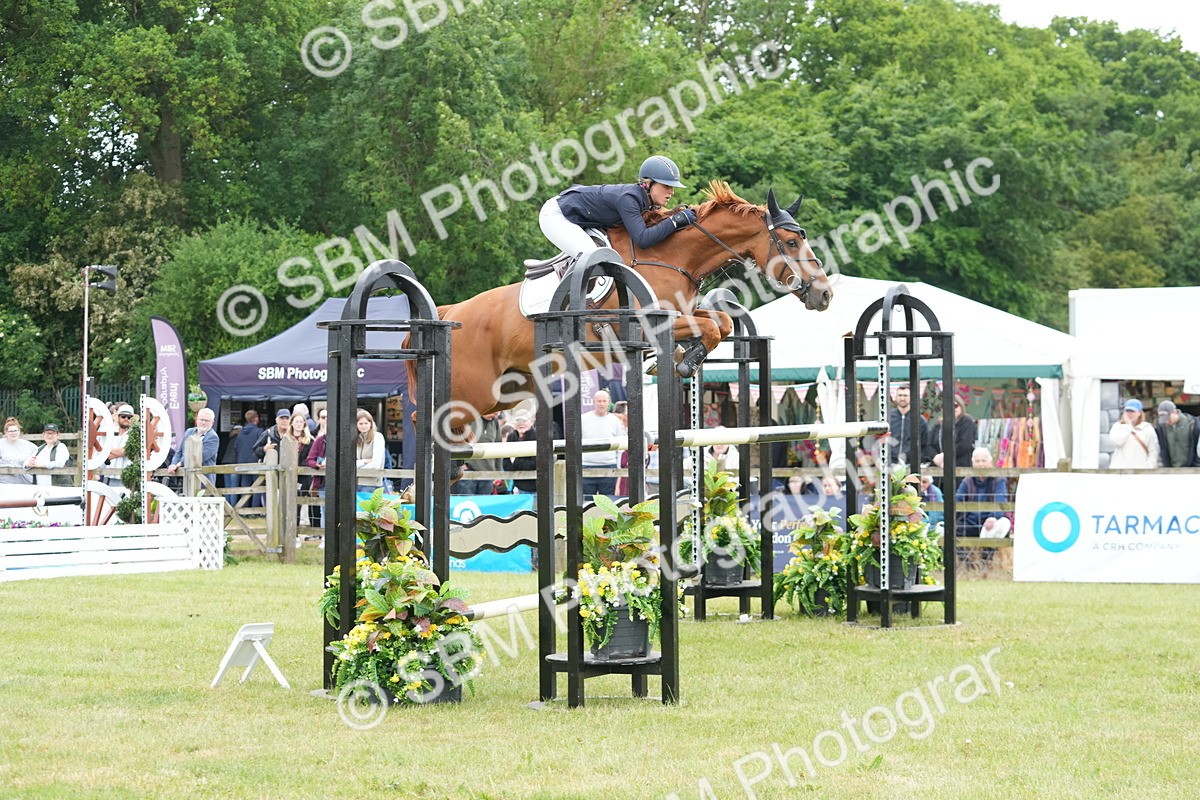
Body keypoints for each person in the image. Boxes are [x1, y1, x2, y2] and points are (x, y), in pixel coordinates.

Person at [538, 155, 695, 269]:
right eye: (666, 186)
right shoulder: (629, 199)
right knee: (595, 257)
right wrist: (675, 221)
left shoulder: (645, 201)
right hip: (556, 215)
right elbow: (643, 239)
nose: (671, 192)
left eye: (672, 187)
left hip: (579, 215)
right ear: (649, 183)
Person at [955, 447, 1010, 565]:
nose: (980, 464)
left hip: (990, 520)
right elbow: (957, 500)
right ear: (973, 463)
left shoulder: (999, 480)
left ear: (990, 462)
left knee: (1002, 524)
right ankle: (968, 565)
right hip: (970, 521)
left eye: (984, 461)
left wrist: (992, 517)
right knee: (954, 529)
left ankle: (986, 562)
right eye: (977, 461)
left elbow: (1000, 501)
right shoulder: (967, 481)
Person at [580, 389, 624, 498]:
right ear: (594, 402)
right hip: (586, 466)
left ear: (609, 402)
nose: (602, 404)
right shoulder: (583, 419)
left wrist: (618, 467)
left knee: (609, 502)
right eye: (599, 401)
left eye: (604, 401)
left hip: (609, 466)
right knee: (586, 503)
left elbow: (621, 445)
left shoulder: (615, 421)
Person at [454, 411, 503, 495]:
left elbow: (499, 448)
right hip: (468, 471)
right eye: (495, 412)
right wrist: (461, 464)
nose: (497, 414)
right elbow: (457, 441)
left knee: (484, 502)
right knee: (466, 501)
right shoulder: (470, 419)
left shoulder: (495, 423)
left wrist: (497, 472)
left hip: (488, 474)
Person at [166, 408, 219, 478]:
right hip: (186, 477)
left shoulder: (213, 437)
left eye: (207, 421)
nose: (203, 422)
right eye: (201, 419)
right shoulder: (189, 432)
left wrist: (179, 464)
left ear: (212, 423)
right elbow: (179, 451)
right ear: (197, 419)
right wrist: (173, 464)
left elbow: (199, 457)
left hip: (204, 478)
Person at [1108, 398, 1160, 469]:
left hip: (1140, 471)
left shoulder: (1147, 429)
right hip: (1120, 470)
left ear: (1139, 413)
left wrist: (1149, 467)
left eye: (1132, 411)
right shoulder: (1118, 426)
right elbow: (1117, 442)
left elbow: (1153, 452)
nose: (1129, 414)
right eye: (1127, 411)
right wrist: (1128, 426)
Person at [931, 394, 976, 473]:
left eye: (955, 406)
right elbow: (929, 444)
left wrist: (945, 456)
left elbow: (964, 445)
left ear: (961, 406)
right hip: (939, 468)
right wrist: (935, 457)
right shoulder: (938, 424)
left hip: (959, 468)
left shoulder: (967, 421)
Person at [888, 385, 932, 466]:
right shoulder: (888, 418)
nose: (902, 398)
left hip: (912, 464)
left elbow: (925, 444)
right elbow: (880, 440)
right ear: (896, 397)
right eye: (900, 395)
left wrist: (919, 460)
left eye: (905, 395)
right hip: (891, 463)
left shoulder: (920, 420)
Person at [502, 409, 538, 495]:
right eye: (518, 421)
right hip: (517, 486)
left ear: (531, 422)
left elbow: (536, 464)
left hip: (536, 488)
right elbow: (506, 464)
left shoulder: (537, 436)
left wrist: (515, 461)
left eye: (524, 420)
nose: (521, 424)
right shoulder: (511, 437)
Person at [233, 410, 263, 506]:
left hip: (242, 462)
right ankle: (255, 509)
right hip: (255, 462)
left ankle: (244, 508)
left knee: (245, 486)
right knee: (257, 486)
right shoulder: (259, 431)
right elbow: (261, 447)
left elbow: (236, 447)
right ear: (256, 419)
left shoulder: (240, 433)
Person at [289, 411, 315, 525]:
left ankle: (299, 526)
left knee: (301, 501)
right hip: (289, 476)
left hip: (304, 476)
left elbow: (311, 458)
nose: (299, 424)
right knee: (290, 502)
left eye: (301, 422)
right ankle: (291, 529)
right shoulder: (286, 439)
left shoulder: (310, 440)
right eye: (296, 422)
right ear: (292, 423)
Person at [29, 423, 72, 487]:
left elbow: (60, 463)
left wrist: (43, 465)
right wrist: (28, 464)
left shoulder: (61, 447)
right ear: (43, 435)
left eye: (53, 433)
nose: (50, 435)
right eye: (47, 433)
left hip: (58, 487)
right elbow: (26, 463)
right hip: (39, 487)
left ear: (58, 435)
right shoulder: (40, 449)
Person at [1155, 400, 1195, 468]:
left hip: (1192, 468)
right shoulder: (1161, 428)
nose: (1166, 421)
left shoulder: (1192, 424)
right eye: (1163, 419)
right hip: (1170, 469)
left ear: (1175, 412)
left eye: (1168, 418)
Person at [355, 409, 386, 492]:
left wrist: (357, 467)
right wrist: (364, 461)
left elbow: (376, 464)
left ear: (371, 424)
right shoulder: (357, 438)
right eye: (360, 423)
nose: (363, 426)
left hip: (372, 483)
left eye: (366, 423)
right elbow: (351, 463)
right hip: (356, 482)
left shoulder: (377, 437)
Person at [0, 417, 38, 485]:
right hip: (5, 482)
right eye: (11, 431)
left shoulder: (28, 445)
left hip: (25, 482)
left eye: (15, 430)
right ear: (6, 432)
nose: (13, 433)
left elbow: (40, 455)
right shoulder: (1, 444)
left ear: (19, 431)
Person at [105, 403, 136, 486]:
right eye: (123, 416)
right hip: (110, 476)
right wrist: (119, 452)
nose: (126, 419)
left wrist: (107, 449)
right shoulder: (111, 432)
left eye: (129, 417)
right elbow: (105, 454)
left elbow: (126, 451)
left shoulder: (135, 433)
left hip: (127, 478)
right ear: (118, 417)